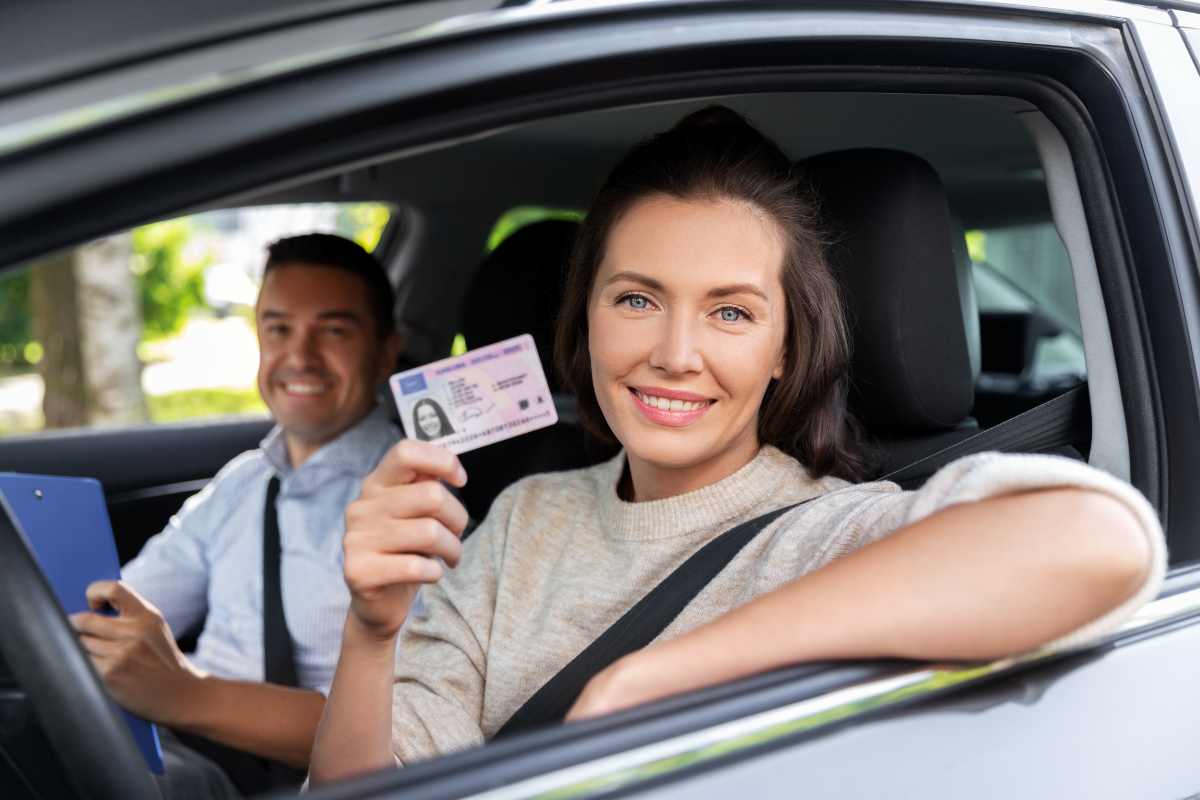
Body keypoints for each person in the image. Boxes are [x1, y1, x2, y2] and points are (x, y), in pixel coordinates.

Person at [307, 108, 1166, 783]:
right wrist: (372, 635)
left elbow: (1102, 538)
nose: (675, 353)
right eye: (637, 299)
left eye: (731, 312)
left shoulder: (830, 534)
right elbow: (373, 786)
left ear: (785, 348)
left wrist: (645, 681)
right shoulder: (522, 519)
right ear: (588, 317)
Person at [69, 233, 403, 798]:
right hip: (171, 746)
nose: (300, 357)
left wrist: (183, 693)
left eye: (334, 331)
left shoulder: (413, 500)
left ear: (386, 352)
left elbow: (403, 732)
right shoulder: (243, 482)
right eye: (278, 329)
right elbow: (119, 605)